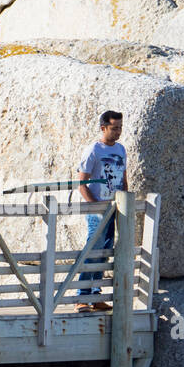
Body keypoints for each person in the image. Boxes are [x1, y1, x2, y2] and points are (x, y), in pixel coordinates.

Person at [76, 109, 128, 311]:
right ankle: (81, 297)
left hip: (115, 207)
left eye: (120, 128)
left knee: (105, 251)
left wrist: (125, 200)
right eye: (114, 128)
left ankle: (95, 297)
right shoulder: (94, 150)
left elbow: (123, 180)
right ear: (103, 128)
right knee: (93, 250)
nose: (118, 132)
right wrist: (96, 207)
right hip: (98, 210)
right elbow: (82, 184)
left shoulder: (121, 149)